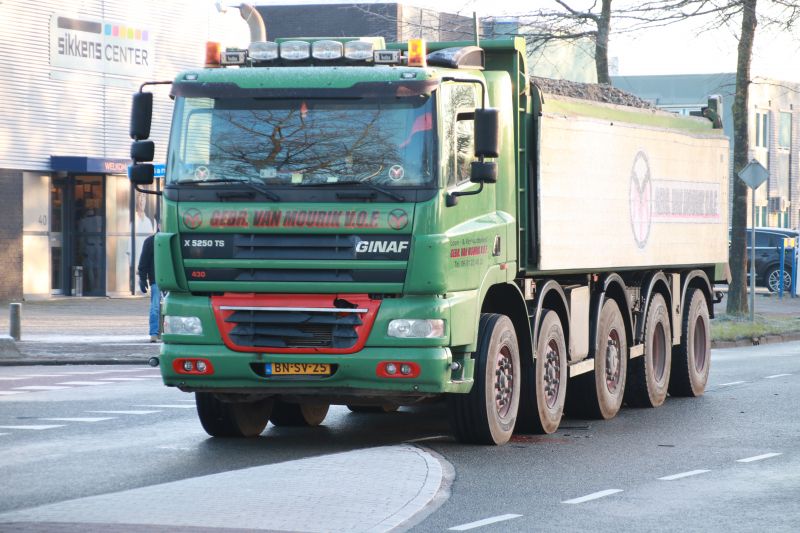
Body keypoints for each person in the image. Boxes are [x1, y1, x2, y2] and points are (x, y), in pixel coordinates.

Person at [138, 223, 160, 342]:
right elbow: (144, 262)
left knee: (171, 307)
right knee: (155, 307)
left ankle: (169, 331)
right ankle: (154, 333)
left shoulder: (174, 240)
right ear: (159, 226)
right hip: (156, 279)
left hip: (172, 281)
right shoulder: (150, 242)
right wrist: (143, 279)